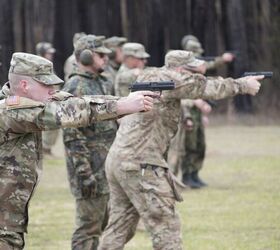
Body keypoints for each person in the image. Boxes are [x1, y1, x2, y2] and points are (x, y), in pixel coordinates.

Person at [98, 50, 263, 250]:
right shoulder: (172, 79)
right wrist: (243, 85)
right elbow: (207, 87)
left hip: (119, 159)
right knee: (166, 226)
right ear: (179, 69)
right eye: (191, 70)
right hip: (140, 163)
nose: (195, 74)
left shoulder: (151, 75)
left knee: (119, 226)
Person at [0, 52, 156, 250]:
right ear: (24, 86)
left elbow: (78, 101)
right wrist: (122, 105)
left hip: (9, 220)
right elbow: (65, 113)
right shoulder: (9, 111)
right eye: (46, 84)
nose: (52, 89)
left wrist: (125, 102)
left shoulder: (29, 102)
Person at [62, 34, 118, 250]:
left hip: (107, 167)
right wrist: (85, 174)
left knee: (104, 223)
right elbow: (72, 136)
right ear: (85, 57)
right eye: (101, 55)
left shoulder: (104, 83)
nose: (106, 59)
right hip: (90, 170)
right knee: (87, 229)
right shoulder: (75, 86)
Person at [170, 35, 235, 188]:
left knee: (199, 145)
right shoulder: (178, 73)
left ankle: (194, 174)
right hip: (186, 113)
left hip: (196, 112)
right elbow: (178, 95)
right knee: (187, 146)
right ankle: (186, 176)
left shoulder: (195, 71)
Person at [36, 41, 60, 156]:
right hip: (44, 100)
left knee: (54, 124)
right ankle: (44, 149)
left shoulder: (48, 64)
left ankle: (46, 148)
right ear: (42, 53)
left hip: (51, 99)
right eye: (48, 53)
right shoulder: (39, 66)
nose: (50, 55)